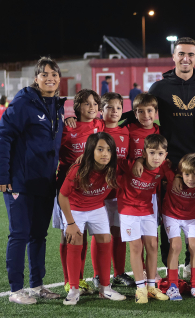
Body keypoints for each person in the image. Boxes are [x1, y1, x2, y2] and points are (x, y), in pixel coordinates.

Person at [120, 38, 195, 280]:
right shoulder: (160, 88)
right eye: (181, 54)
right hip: (166, 163)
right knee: (166, 215)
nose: (186, 58)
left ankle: (189, 264)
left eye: (191, 54)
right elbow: (141, 114)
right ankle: (167, 266)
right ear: (173, 57)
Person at [0, 57, 64, 304]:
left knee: (38, 235)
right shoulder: (24, 102)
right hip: (19, 182)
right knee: (19, 234)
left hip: (44, 182)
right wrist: (2, 176)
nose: (50, 78)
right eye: (45, 74)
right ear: (36, 78)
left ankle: (37, 285)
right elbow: (2, 137)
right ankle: (15, 290)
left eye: (54, 74)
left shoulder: (57, 105)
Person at [58, 132, 126, 305]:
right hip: (75, 209)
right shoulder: (78, 169)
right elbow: (63, 196)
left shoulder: (113, 167)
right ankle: (73, 290)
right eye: (100, 149)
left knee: (105, 239)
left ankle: (105, 288)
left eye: (109, 150)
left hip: (96, 207)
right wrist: (71, 223)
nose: (105, 154)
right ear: (90, 151)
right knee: (75, 240)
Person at [55, 89, 104, 295]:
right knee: (69, 234)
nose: (91, 107)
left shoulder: (99, 126)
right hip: (67, 187)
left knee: (81, 236)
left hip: (89, 189)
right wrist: (67, 120)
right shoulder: (67, 130)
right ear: (77, 107)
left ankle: (80, 279)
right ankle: (69, 280)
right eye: (86, 104)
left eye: (94, 103)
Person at [117, 134, 170, 304]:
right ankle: (140, 288)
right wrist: (138, 160)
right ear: (144, 152)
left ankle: (151, 286)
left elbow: (175, 173)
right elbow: (113, 163)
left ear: (165, 155)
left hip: (148, 210)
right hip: (128, 210)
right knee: (136, 246)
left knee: (152, 245)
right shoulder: (131, 164)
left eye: (160, 153)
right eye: (152, 152)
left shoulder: (163, 168)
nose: (156, 157)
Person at [100, 92, 134, 287]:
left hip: (119, 192)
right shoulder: (96, 130)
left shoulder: (125, 132)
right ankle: (99, 275)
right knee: (101, 232)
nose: (114, 111)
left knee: (118, 231)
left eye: (118, 108)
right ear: (101, 110)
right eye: (109, 108)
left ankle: (119, 272)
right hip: (99, 193)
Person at [163, 154, 195, 300]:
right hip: (172, 216)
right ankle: (172, 286)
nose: (190, 178)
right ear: (181, 172)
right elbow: (162, 165)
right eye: (186, 174)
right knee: (175, 246)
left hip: (191, 218)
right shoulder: (173, 178)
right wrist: (176, 175)